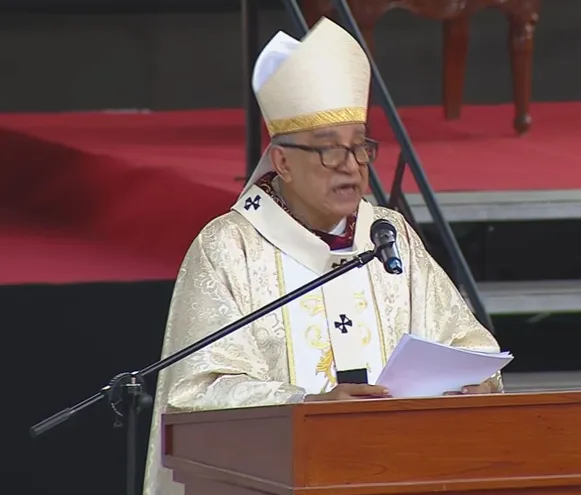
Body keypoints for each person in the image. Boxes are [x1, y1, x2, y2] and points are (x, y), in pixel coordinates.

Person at [142, 17, 502, 495]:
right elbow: (195, 394)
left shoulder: (386, 233)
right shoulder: (230, 247)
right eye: (330, 152)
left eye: (360, 149)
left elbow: (466, 342)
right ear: (283, 162)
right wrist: (311, 405)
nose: (351, 168)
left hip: (396, 473)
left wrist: (473, 382)